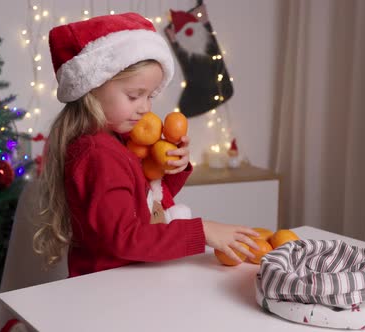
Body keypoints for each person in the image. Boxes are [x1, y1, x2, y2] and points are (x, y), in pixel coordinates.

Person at [33, 12, 259, 277]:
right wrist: (204, 231)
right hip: (106, 288)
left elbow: (149, 203)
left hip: (131, 279)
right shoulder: (97, 154)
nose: (145, 108)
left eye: (150, 95)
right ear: (92, 89)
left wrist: (171, 165)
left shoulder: (117, 140)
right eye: (134, 95)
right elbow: (126, 237)